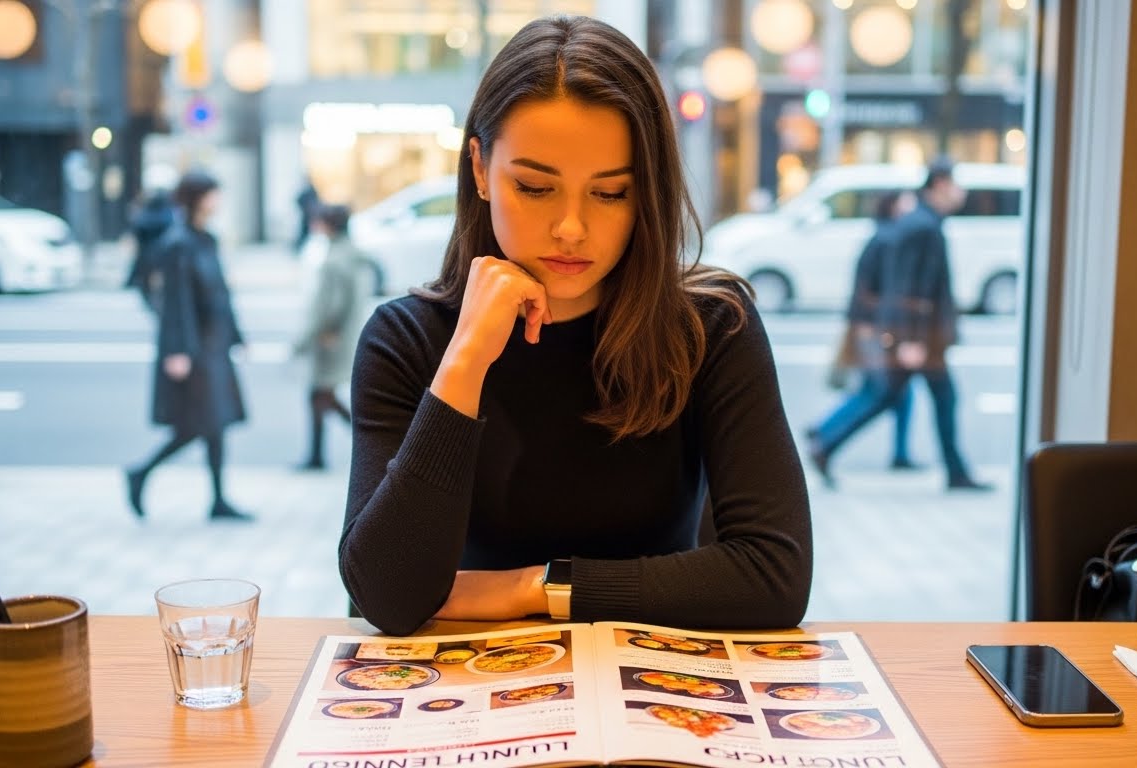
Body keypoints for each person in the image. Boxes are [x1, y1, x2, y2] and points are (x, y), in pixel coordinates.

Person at [339, 15, 812, 636]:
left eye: (611, 193)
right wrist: (465, 360)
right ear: (480, 169)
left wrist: (537, 587)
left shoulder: (710, 330)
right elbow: (387, 597)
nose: (571, 229)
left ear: (647, 192)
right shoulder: (407, 340)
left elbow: (774, 576)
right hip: (464, 699)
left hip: (652, 688)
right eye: (535, 187)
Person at [808, 160, 992, 492]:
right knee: (902, 396)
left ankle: (827, 444)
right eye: (956, 184)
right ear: (939, 184)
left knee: (895, 395)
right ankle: (825, 444)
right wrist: (911, 340)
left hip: (922, 338)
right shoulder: (922, 227)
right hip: (921, 339)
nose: (961, 192)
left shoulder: (921, 223)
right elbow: (910, 288)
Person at [125, 171, 253, 522]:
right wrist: (177, 351)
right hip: (195, 350)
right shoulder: (178, 242)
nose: (218, 201)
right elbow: (175, 304)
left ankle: (217, 499)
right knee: (197, 425)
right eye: (213, 194)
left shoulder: (205, 239)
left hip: (215, 346)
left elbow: (222, 293)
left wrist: (237, 336)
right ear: (197, 197)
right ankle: (141, 473)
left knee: (214, 423)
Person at [815, 190, 919, 481]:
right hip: (874, 328)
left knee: (900, 391)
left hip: (871, 326)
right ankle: (824, 438)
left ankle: (900, 453)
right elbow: (876, 291)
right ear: (893, 206)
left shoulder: (882, 237)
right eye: (906, 202)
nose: (911, 208)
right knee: (879, 389)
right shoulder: (887, 240)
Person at [293, 203, 373, 470]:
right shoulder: (352, 254)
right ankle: (317, 455)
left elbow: (327, 306)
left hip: (330, 338)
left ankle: (367, 441)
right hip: (344, 334)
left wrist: (304, 339)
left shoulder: (333, 261)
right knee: (320, 394)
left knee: (321, 394)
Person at [124, 186, 176, 311]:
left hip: (147, 258)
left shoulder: (144, 216)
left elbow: (137, 234)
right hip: (162, 258)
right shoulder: (170, 217)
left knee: (147, 286)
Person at [294, 180, 319, 253]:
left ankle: (301, 247)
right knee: (304, 233)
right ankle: (299, 247)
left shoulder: (312, 192)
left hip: (309, 216)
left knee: (306, 233)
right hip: (307, 216)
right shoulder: (307, 192)